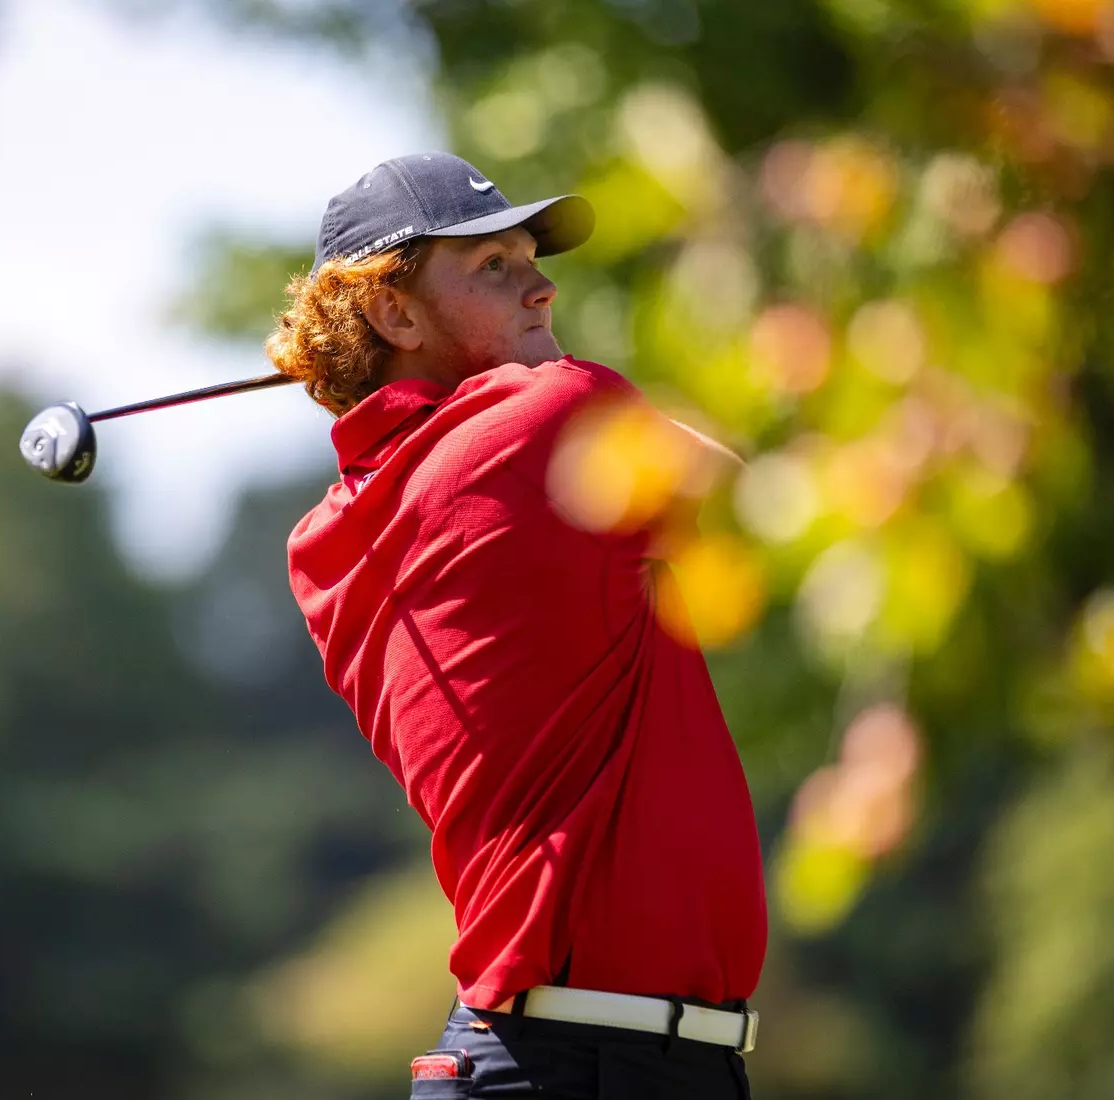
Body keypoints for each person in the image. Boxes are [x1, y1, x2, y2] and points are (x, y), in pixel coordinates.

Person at [268, 153, 766, 1099]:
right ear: (394, 314)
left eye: (530, 258)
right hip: (582, 1065)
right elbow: (754, 510)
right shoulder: (547, 421)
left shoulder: (330, 534)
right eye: (492, 267)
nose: (542, 288)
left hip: (561, 1061)